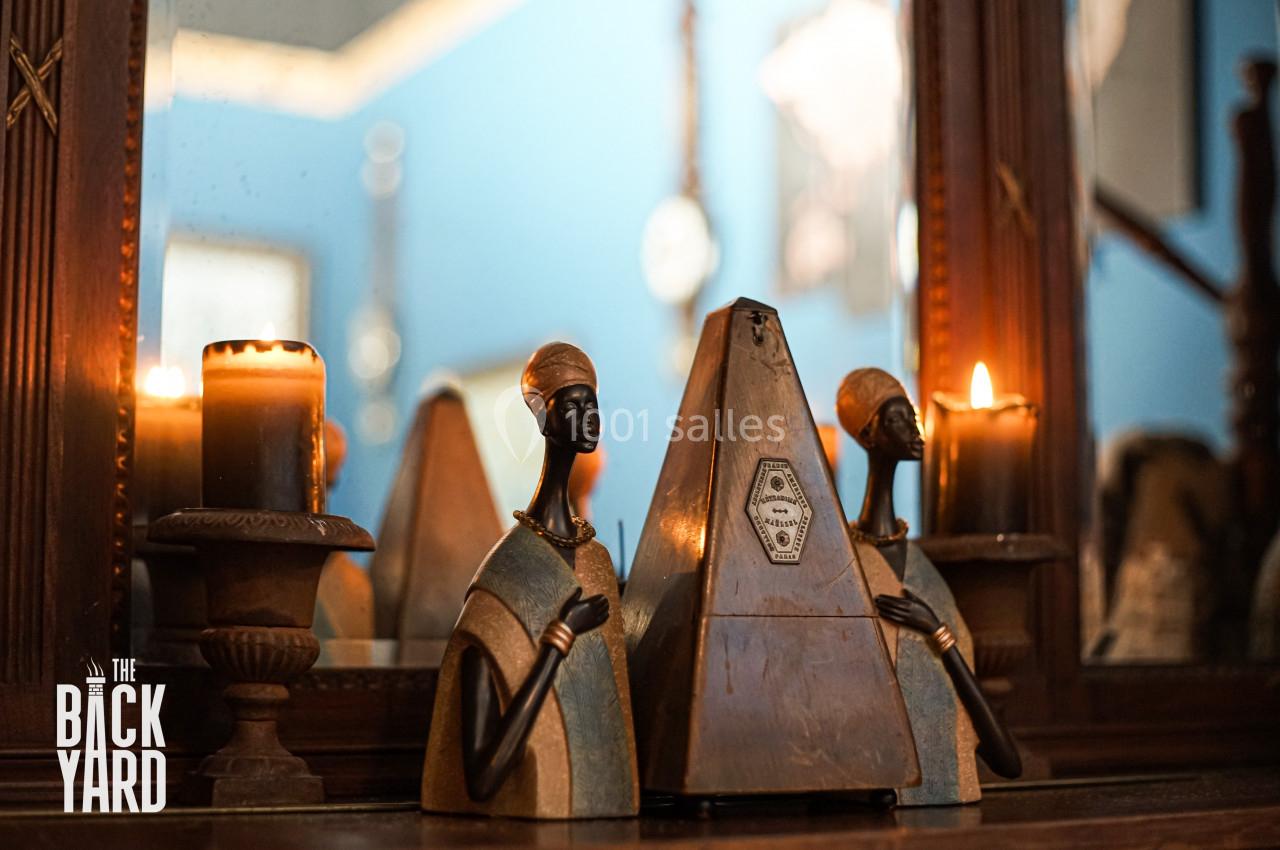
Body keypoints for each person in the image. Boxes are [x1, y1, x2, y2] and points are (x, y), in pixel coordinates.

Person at [421, 342, 638, 819]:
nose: (590, 417)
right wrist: (560, 635)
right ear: (543, 417)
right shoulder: (508, 571)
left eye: (593, 404)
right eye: (574, 405)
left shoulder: (596, 562)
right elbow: (484, 776)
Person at [838, 368, 1021, 806]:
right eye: (897, 420)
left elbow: (1007, 761)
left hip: (947, 798)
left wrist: (937, 630)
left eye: (912, 416)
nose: (915, 430)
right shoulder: (847, 565)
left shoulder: (922, 573)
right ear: (868, 434)